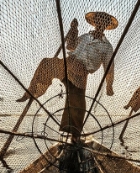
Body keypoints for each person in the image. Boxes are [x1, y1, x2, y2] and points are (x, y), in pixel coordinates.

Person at [17, 12, 117, 142]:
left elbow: (109, 68)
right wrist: (74, 30)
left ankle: (75, 136)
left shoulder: (107, 47)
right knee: (46, 64)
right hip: (66, 65)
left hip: (80, 75)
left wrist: (109, 85)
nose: (99, 24)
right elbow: (70, 46)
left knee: (77, 103)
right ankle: (30, 92)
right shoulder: (85, 37)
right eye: (98, 21)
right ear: (95, 23)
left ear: (106, 26)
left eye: (103, 23)